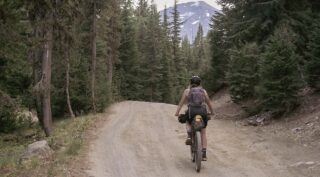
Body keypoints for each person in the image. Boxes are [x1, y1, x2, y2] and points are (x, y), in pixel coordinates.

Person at [175, 76, 214, 161]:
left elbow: (181, 103)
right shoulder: (203, 91)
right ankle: (204, 154)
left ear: (190, 83)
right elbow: (209, 103)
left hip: (191, 111)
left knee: (188, 121)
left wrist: (177, 113)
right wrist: (212, 112)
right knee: (203, 132)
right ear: (200, 83)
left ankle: (189, 135)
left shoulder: (187, 91)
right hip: (202, 111)